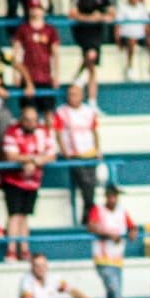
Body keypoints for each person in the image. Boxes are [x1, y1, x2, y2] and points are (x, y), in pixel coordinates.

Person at [1, 104, 57, 262]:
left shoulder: (42, 131)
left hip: (33, 181)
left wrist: (36, 161)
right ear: (22, 120)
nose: (31, 123)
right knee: (14, 215)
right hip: (13, 180)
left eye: (34, 120)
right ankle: (11, 250)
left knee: (25, 215)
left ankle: (24, 249)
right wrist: (31, 159)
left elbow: (51, 154)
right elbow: (10, 155)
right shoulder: (12, 131)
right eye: (27, 120)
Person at [86, 183, 135, 298]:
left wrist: (133, 231)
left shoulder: (122, 212)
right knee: (114, 286)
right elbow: (92, 226)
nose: (113, 199)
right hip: (102, 257)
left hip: (117, 257)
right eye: (111, 195)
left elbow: (132, 226)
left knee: (111, 290)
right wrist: (108, 233)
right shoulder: (98, 210)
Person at [51, 84, 99, 226]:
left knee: (91, 185)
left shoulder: (89, 111)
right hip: (74, 155)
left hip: (89, 153)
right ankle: (89, 216)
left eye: (75, 94)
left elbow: (94, 131)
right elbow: (58, 132)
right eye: (70, 94)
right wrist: (64, 150)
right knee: (86, 183)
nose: (73, 97)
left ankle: (88, 216)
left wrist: (97, 149)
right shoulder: (62, 112)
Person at [69, 0, 113, 107]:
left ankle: (78, 80)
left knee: (91, 64)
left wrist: (101, 17)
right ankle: (89, 96)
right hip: (83, 31)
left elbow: (112, 14)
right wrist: (89, 18)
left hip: (97, 32)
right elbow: (72, 13)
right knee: (91, 57)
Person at [13, 0, 60, 117]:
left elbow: (55, 54)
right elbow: (16, 53)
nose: (35, 11)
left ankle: (48, 135)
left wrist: (56, 75)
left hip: (45, 76)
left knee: (49, 111)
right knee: (28, 111)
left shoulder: (50, 30)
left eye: (38, 8)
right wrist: (16, 75)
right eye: (32, 8)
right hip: (28, 75)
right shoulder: (23, 29)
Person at [115, 0, 150, 81]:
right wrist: (117, 40)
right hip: (127, 36)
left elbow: (147, 25)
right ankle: (129, 67)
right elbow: (117, 26)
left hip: (141, 36)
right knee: (131, 41)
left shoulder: (142, 8)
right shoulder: (122, 8)